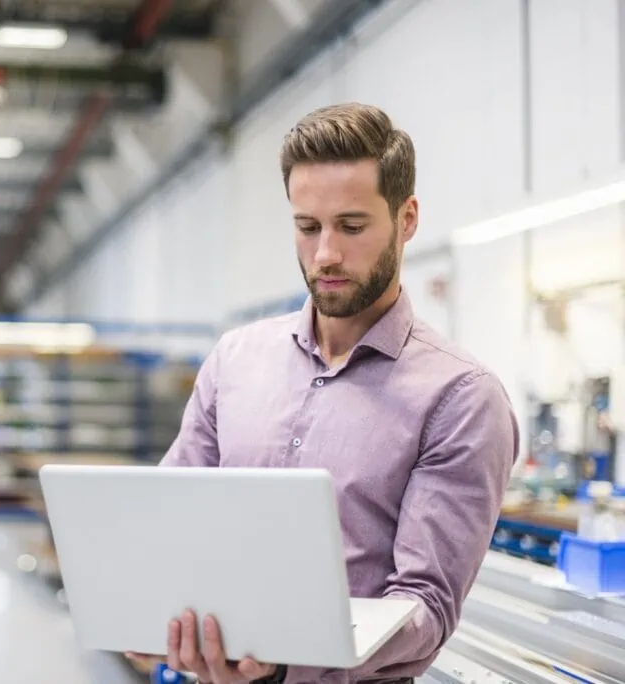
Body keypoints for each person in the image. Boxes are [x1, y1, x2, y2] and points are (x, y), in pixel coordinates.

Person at [127, 103, 519, 684]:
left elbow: (424, 607)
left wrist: (284, 663)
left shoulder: (460, 398)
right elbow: (171, 525)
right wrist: (142, 618)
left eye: (352, 227)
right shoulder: (235, 361)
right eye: (307, 227)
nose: (326, 254)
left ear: (407, 218)